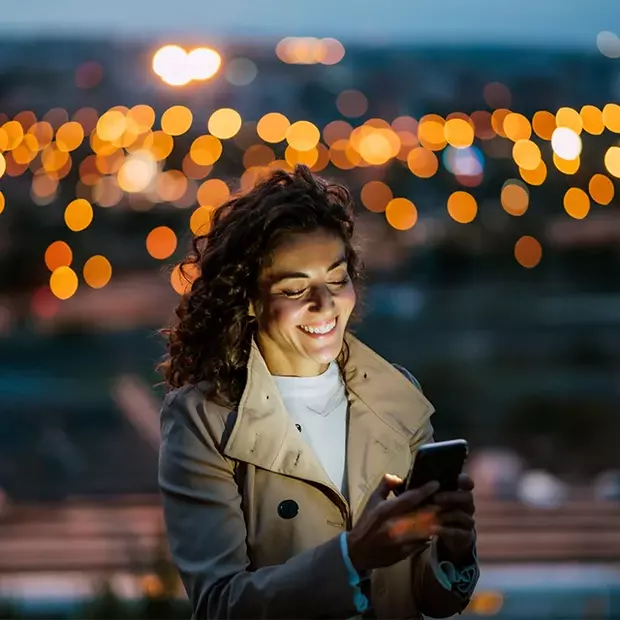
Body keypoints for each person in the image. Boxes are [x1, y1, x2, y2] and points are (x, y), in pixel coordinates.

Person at [158, 164, 479, 619]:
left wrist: (454, 547)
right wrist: (354, 557)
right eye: (295, 288)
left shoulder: (397, 397)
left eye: (336, 279)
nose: (324, 304)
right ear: (249, 298)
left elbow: (430, 599)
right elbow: (218, 606)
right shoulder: (203, 420)